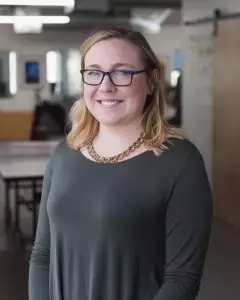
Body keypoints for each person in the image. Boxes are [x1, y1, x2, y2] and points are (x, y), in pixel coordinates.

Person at [29, 27, 213, 300]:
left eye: (122, 72)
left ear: (151, 81)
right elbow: (42, 255)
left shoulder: (180, 162)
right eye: (93, 72)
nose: (105, 86)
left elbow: (182, 280)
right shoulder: (64, 153)